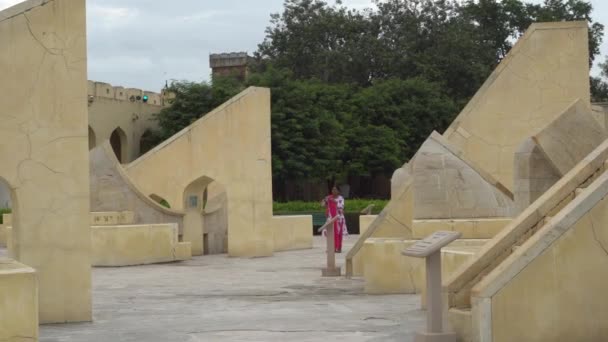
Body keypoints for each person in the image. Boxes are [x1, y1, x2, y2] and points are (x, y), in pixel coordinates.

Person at [321, 186, 348, 253]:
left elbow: (341, 206)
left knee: (338, 233)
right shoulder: (329, 197)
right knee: (330, 233)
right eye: (333, 189)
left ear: (338, 191)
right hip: (330, 218)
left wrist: (333, 200)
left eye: (335, 189)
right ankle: (331, 248)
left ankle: (338, 248)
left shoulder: (341, 198)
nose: (333, 191)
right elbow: (322, 205)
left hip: (338, 218)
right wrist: (324, 200)